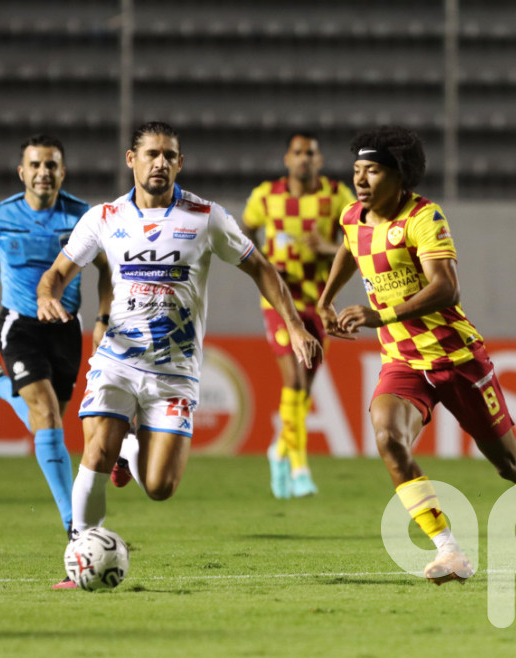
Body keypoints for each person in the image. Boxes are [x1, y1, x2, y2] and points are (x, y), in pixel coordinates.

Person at [36, 121, 322, 581]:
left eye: (170, 155)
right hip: (117, 361)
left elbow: (262, 268)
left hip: (174, 372)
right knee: (96, 448)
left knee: (160, 487)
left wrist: (294, 325)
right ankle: (79, 555)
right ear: (132, 159)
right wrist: (47, 295)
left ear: (180, 163)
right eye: (151, 154)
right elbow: (57, 272)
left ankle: (131, 451)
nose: (160, 163)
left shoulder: (206, 217)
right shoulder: (104, 218)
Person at [316, 125, 516, 587]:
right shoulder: (354, 216)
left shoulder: (423, 217)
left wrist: (380, 314)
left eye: (372, 170)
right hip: (403, 362)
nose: (360, 179)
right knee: (389, 437)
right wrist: (326, 298)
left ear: (400, 176)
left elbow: (446, 287)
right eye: (356, 169)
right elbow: (350, 249)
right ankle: (448, 550)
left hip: (456, 358)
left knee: (510, 466)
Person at [0, 134, 113, 589]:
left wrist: (102, 317)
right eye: (36, 165)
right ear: (22, 172)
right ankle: (75, 528)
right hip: (18, 326)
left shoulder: (83, 215)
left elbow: (107, 268)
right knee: (46, 416)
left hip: (66, 330)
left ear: (63, 172)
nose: (44, 172)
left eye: (52, 165)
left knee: (51, 425)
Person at [242, 132, 355, 499]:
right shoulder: (265, 196)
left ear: (319, 161)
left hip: (319, 299)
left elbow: (360, 238)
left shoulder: (337, 195)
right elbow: (245, 233)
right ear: (287, 159)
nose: (304, 159)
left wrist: (328, 247)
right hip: (280, 301)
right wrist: (263, 264)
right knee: (294, 380)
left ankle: (279, 450)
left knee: (304, 387)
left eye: (311, 153)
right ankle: (300, 467)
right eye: (298, 153)